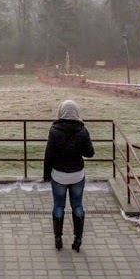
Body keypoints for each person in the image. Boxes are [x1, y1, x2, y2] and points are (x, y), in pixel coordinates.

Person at [43, 99, 95, 251]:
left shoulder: (54, 130)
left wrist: (46, 175)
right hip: (77, 175)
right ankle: (77, 239)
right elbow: (90, 153)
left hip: (58, 175)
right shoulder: (82, 131)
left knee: (59, 205)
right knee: (77, 205)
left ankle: (58, 239)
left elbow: (49, 155)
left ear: (61, 112)